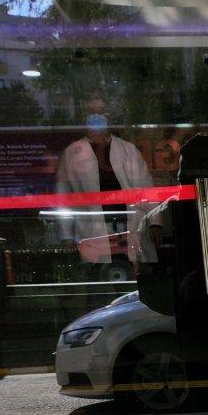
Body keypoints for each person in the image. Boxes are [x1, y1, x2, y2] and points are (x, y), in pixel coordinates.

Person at [54, 95, 160, 278]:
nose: (97, 116)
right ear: (83, 117)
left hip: (129, 228)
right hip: (92, 231)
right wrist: (66, 235)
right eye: (91, 112)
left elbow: (146, 188)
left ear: (109, 116)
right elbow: (63, 197)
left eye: (101, 112)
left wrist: (155, 223)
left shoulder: (128, 150)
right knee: (99, 282)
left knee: (132, 284)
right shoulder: (72, 153)